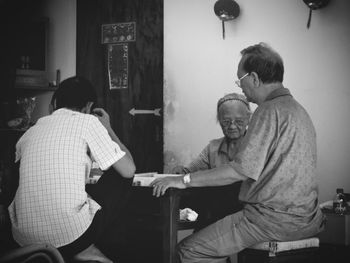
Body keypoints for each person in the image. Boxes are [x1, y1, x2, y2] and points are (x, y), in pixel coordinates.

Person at [150, 42, 325, 263]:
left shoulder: (268, 110)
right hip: (307, 219)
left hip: (270, 220)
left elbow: (240, 171)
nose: (240, 86)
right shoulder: (299, 111)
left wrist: (182, 180)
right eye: (226, 121)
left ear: (254, 77)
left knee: (186, 251)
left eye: (240, 79)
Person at [7, 76, 136, 263]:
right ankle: (86, 249)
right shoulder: (88, 122)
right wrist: (107, 128)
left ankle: (81, 248)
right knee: (121, 176)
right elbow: (128, 169)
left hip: (22, 238)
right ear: (89, 106)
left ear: (54, 104)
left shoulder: (30, 131)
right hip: (71, 236)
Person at [172, 93, 251, 229]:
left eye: (238, 121)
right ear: (219, 120)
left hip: (246, 214)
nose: (232, 126)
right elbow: (190, 171)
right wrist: (180, 171)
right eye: (226, 122)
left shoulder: (256, 146)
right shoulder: (213, 148)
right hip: (217, 213)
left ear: (248, 119)